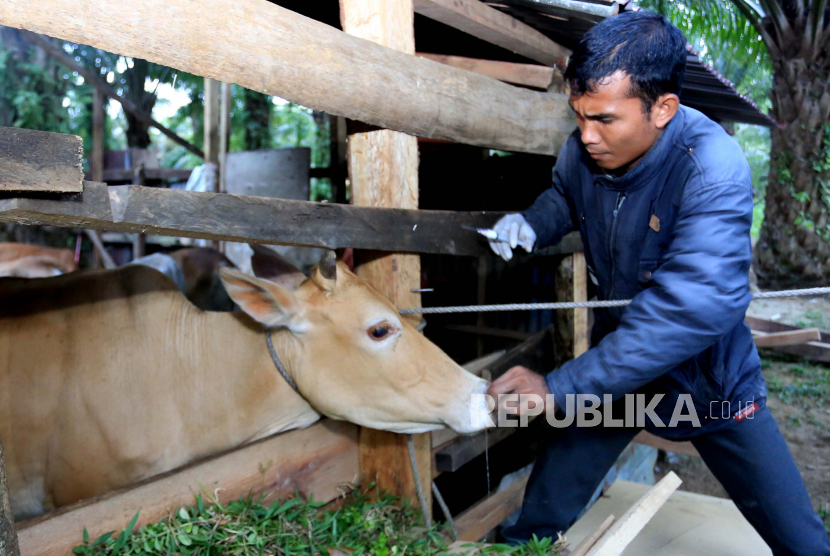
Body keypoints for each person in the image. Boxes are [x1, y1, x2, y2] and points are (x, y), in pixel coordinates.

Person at [486, 10, 830, 555]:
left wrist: (557, 388)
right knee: (540, 512)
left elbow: (686, 312)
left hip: (706, 381)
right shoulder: (584, 148)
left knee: (798, 538)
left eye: (603, 119)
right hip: (620, 373)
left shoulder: (711, 167)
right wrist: (532, 222)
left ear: (663, 108)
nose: (585, 136)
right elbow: (566, 195)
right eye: (577, 116)